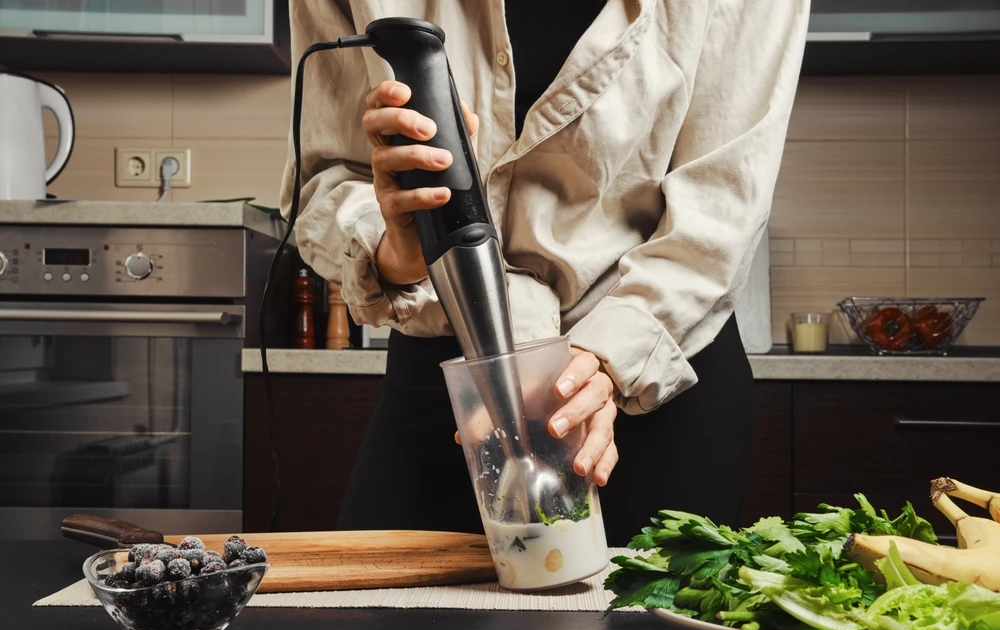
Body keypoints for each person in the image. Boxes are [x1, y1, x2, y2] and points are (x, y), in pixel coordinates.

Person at [280, 0, 810, 546]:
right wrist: (395, 251)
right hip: (454, 367)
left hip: (650, 376)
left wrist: (602, 362)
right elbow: (325, 173)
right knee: (381, 627)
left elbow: (721, 203)